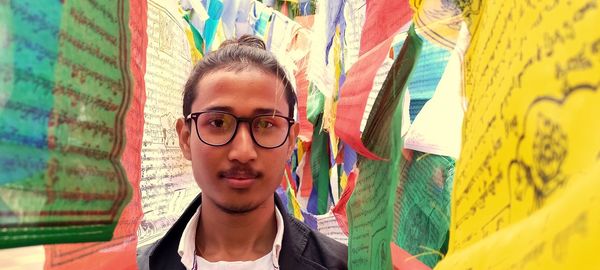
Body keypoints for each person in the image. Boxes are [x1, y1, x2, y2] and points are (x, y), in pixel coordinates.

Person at [138, 35, 348, 270]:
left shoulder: (343, 265)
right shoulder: (133, 265)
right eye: (218, 123)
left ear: (290, 140)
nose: (243, 152)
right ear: (186, 138)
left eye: (266, 124)